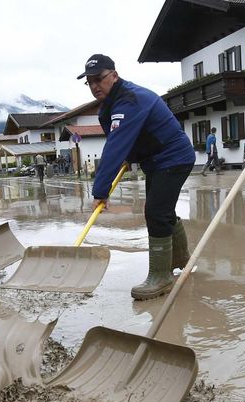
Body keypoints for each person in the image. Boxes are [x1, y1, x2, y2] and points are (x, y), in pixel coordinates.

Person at [77, 53, 196, 300]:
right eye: (89, 82)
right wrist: (129, 155)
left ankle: (160, 278)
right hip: (156, 160)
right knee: (161, 211)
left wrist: (100, 190)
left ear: (114, 75)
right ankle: (181, 257)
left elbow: (114, 147)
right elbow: (124, 140)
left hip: (173, 157)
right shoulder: (112, 102)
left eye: (99, 79)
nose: (94, 86)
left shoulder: (128, 101)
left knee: (156, 212)